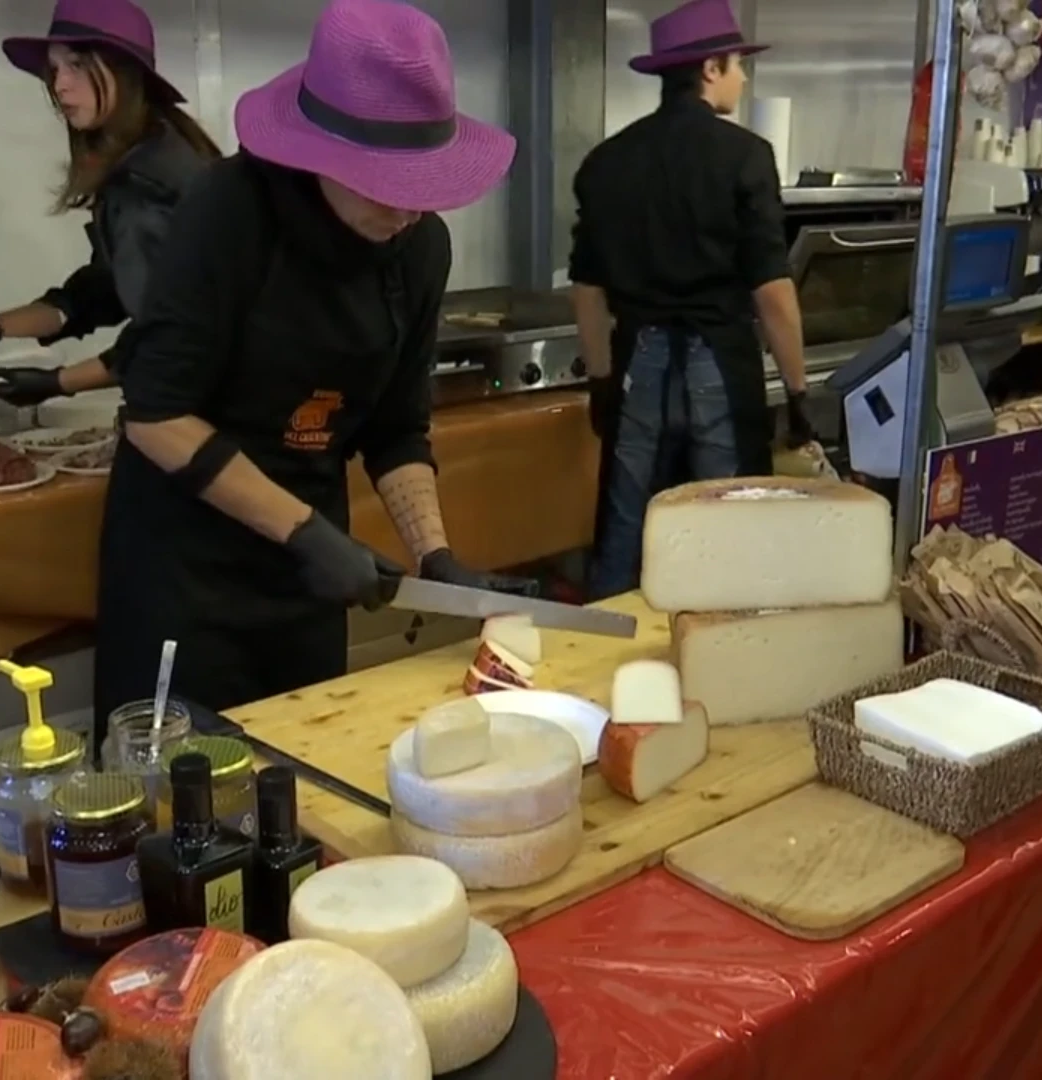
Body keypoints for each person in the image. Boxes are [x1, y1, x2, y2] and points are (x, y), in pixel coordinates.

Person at [92, 0, 531, 736]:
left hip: (306, 577)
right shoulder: (228, 211)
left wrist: (435, 554)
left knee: (303, 773)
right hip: (187, 568)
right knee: (185, 799)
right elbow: (156, 414)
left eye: (422, 188)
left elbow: (396, 427)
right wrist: (306, 534)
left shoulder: (419, 246)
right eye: (387, 186)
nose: (408, 211)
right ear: (319, 155)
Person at [567, 0, 812, 600]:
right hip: (718, 369)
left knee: (627, 531)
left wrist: (601, 380)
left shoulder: (606, 162)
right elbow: (774, 293)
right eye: (737, 65)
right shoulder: (746, 157)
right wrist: (801, 393)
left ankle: (608, 663)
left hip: (637, 369)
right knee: (727, 531)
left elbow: (587, 289)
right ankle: (724, 665)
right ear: (709, 69)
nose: (744, 77)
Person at [0, 0, 222, 408]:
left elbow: (168, 337)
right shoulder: (163, 146)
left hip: (211, 418)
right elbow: (104, 289)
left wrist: (56, 383)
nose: (60, 84)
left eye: (78, 65)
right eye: (55, 69)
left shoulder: (145, 185)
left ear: (124, 71)